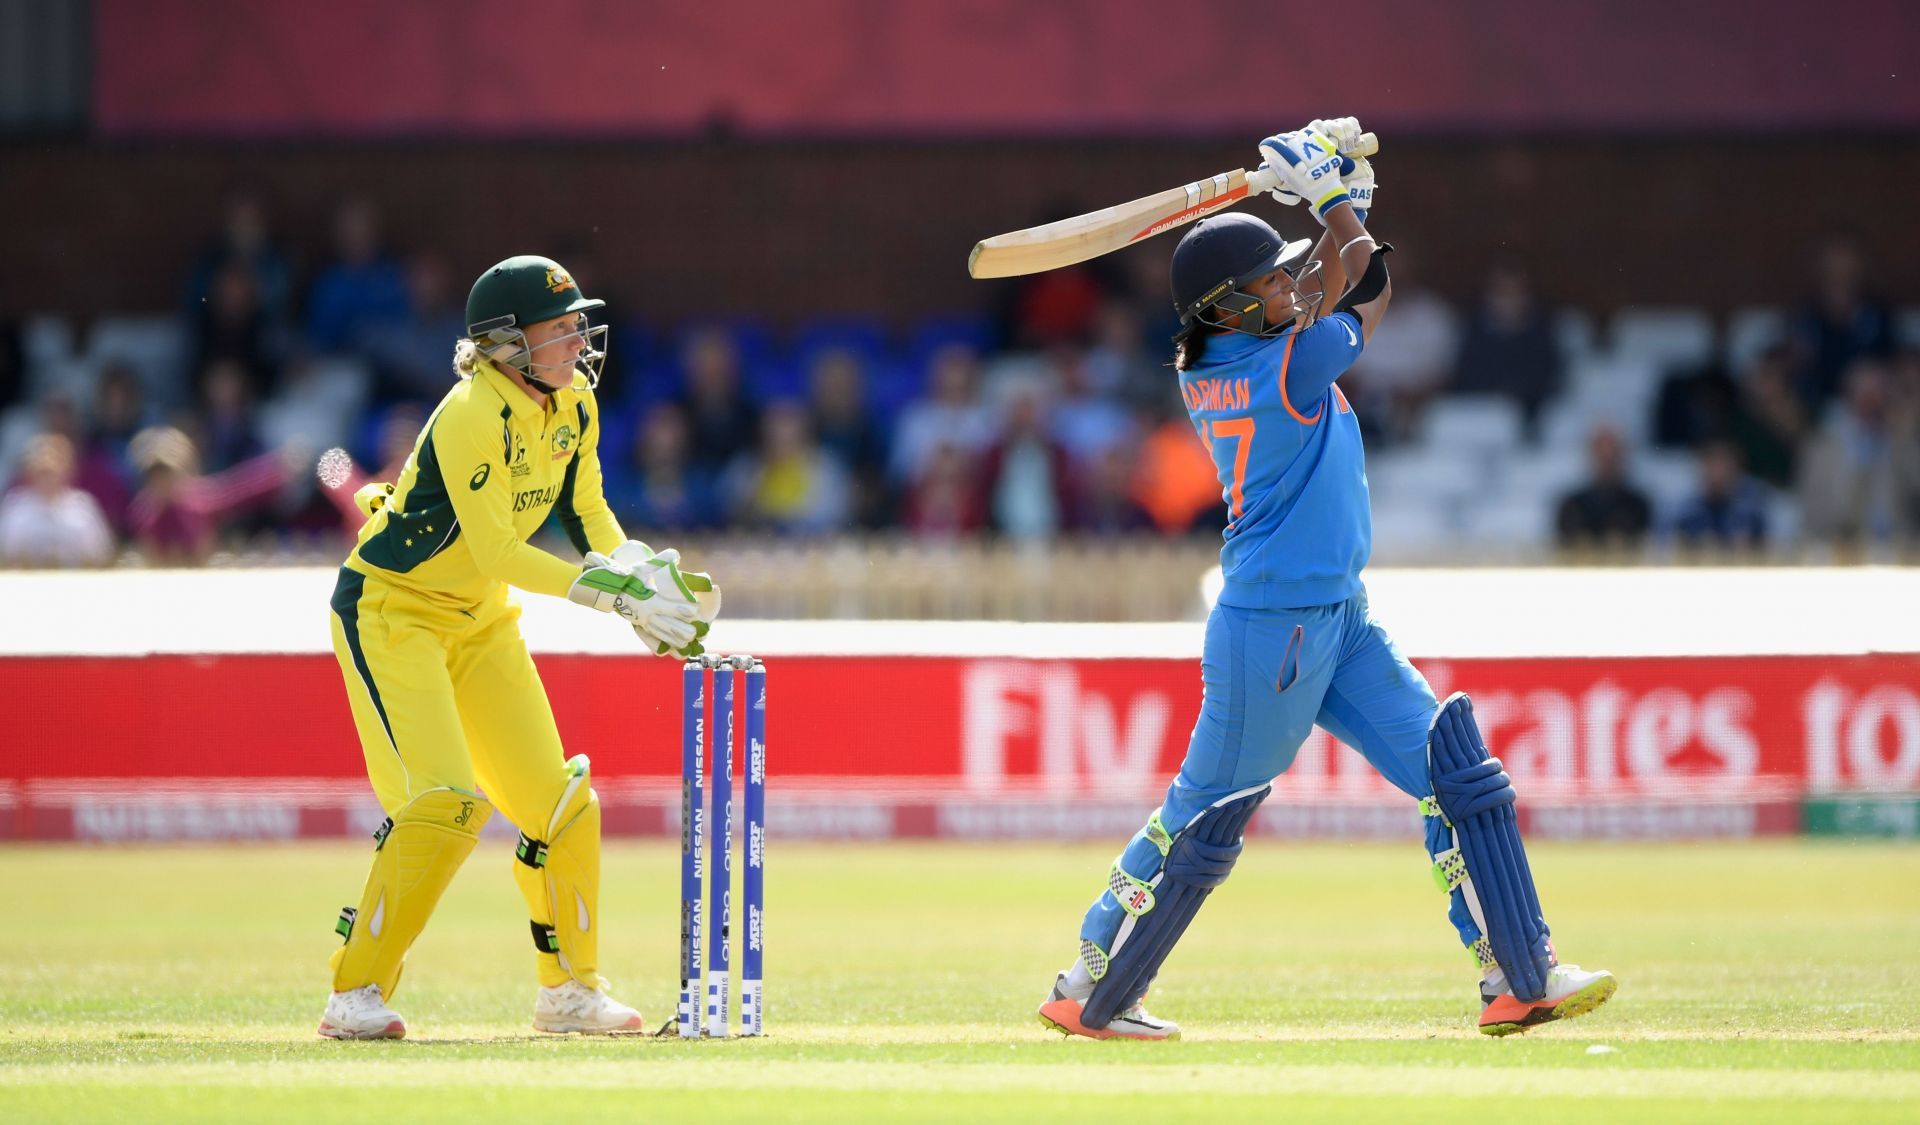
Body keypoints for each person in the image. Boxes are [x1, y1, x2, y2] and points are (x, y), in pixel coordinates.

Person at [1035, 121, 1614, 1041]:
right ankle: (1090, 986)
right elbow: (1371, 290)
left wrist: (1345, 207)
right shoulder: (1285, 363)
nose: (1290, 285)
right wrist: (1337, 206)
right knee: (1207, 815)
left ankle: (1521, 974)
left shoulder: (1235, 355)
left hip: (1339, 619)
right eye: (1272, 279)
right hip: (1273, 630)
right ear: (1230, 307)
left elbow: (1333, 285)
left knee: (1456, 771)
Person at [318, 255, 721, 1040]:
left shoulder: (573, 402)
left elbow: (589, 513)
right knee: (443, 807)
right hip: (391, 610)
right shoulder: (473, 409)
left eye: (579, 323)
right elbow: (500, 547)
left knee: (564, 808)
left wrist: (635, 568)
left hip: (478, 619)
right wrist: (608, 596)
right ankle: (353, 993)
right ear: (506, 342)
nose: (578, 338)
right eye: (560, 328)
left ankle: (569, 991)